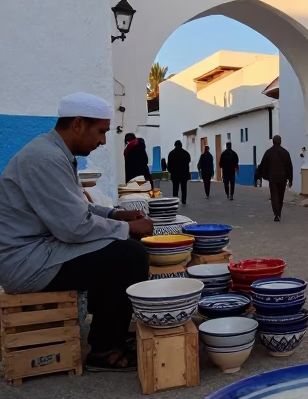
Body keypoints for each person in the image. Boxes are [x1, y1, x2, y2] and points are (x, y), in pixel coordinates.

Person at [0, 93, 152, 372]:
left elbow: (75, 209)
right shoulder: (45, 158)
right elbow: (74, 227)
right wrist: (128, 227)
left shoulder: (53, 152)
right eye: (101, 132)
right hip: (27, 262)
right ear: (79, 124)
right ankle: (105, 349)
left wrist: (114, 215)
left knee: (116, 243)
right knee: (128, 255)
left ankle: (111, 331)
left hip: (41, 250)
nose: (103, 141)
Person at [255, 135, 293, 221]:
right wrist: (290, 179)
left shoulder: (268, 152)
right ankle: (278, 212)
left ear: (273, 141)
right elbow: (290, 167)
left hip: (272, 177)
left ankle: (276, 214)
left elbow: (262, 165)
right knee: (280, 195)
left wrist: (258, 176)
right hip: (283, 177)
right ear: (280, 141)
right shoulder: (285, 153)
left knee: (274, 195)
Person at [166, 140, 191, 204]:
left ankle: (175, 200)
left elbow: (169, 165)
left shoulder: (171, 153)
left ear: (175, 145)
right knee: (184, 188)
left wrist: (171, 172)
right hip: (184, 174)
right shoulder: (186, 153)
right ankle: (184, 200)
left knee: (175, 188)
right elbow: (188, 161)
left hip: (175, 174)